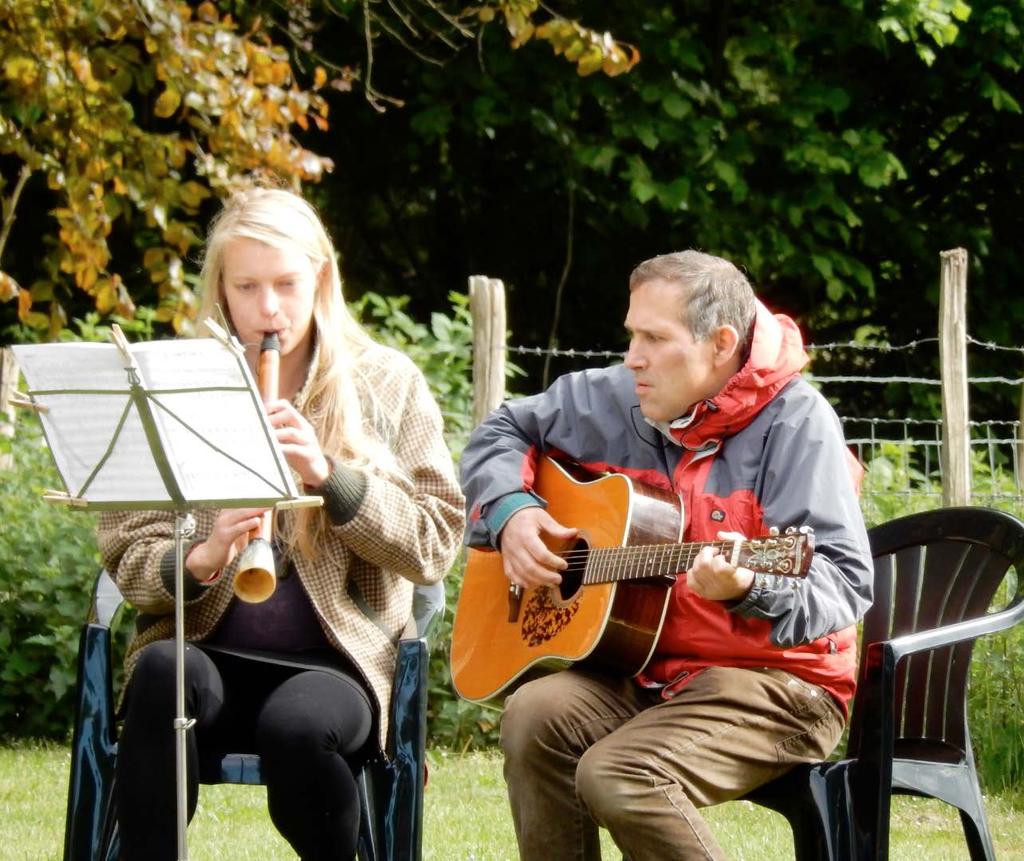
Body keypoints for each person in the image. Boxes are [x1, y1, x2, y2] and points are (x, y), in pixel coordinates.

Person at [459, 250, 873, 860]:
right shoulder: (613, 395)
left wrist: (747, 588)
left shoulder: (798, 423)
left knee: (619, 774)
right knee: (534, 715)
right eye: (632, 334)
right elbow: (501, 431)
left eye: (655, 338)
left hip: (779, 683)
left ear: (721, 343)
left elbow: (842, 579)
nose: (632, 357)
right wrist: (511, 512)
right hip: (647, 669)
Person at [97, 186, 465, 861]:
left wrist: (332, 478)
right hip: (203, 646)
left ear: (321, 279)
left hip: (335, 664)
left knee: (299, 727)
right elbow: (129, 555)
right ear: (222, 290)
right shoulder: (174, 388)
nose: (269, 307)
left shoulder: (387, 384)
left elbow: (435, 543)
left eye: (287, 284)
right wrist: (204, 553)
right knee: (159, 676)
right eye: (248, 286)